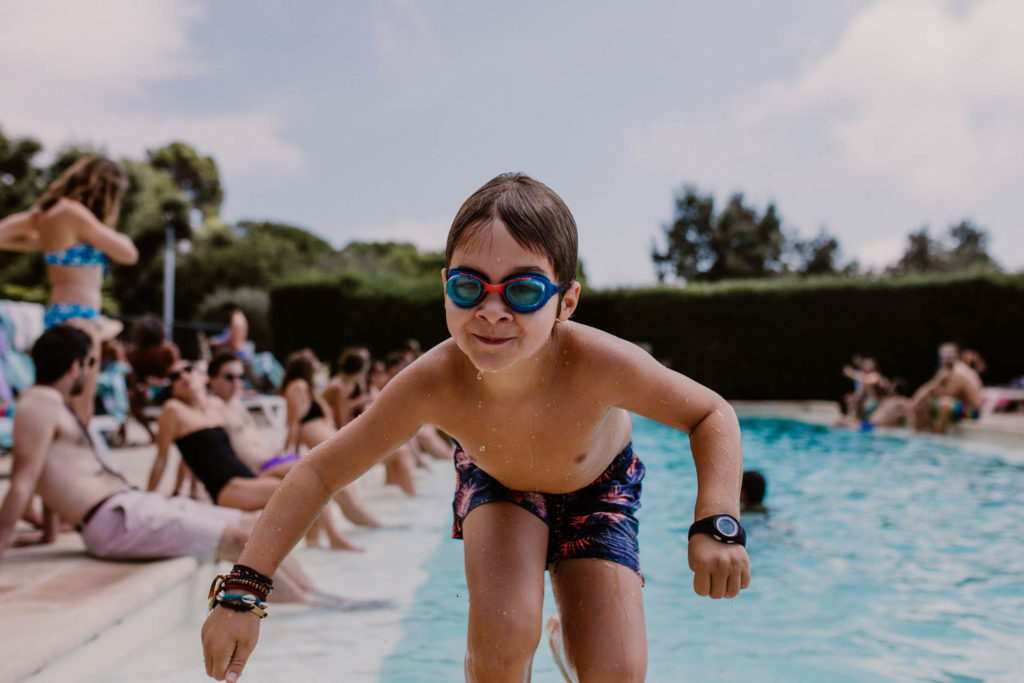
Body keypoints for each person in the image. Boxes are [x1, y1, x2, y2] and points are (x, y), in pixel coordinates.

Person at [201, 172, 750, 683]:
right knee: (504, 641)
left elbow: (710, 414)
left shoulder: (599, 364)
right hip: (499, 483)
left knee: (617, 674)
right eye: (470, 287)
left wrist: (717, 520)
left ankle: (569, 642)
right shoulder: (433, 382)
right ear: (445, 286)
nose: (491, 311)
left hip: (598, 487)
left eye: (524, 290)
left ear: (567, 302)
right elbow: (320, 472)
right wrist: (243, 591)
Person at [0, 325, 342, 604]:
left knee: (255, 526)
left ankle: (316, 596)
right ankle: (310, 608)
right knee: (240, 540)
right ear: (76, 366)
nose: (93, 372)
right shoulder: (39, 402)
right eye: (93, 363)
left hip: (127, 506)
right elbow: (23, 480)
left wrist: (47, 534)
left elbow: (46, 471)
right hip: (113, 518)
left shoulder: (51, 403)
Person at [0, 154, 139, 424]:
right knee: (79, 410)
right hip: (80, 318)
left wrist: (41, 242)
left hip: (58, 314)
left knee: (58, 404)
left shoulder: (48, 214)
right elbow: (128, 253)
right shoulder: (75, 213)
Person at [909, 342, 983, 433]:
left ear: (956, 356)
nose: (946, 359)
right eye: (943, 356)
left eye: (949, 355)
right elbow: (929, 388)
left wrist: (933, 390)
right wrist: (915, 402)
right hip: (957, 408)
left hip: (972, 413)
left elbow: (948, 394)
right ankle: (919, 435)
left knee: (944, 403)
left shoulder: (960, 372)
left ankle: (940, 437)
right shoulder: (945, 371)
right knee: (924, 403)